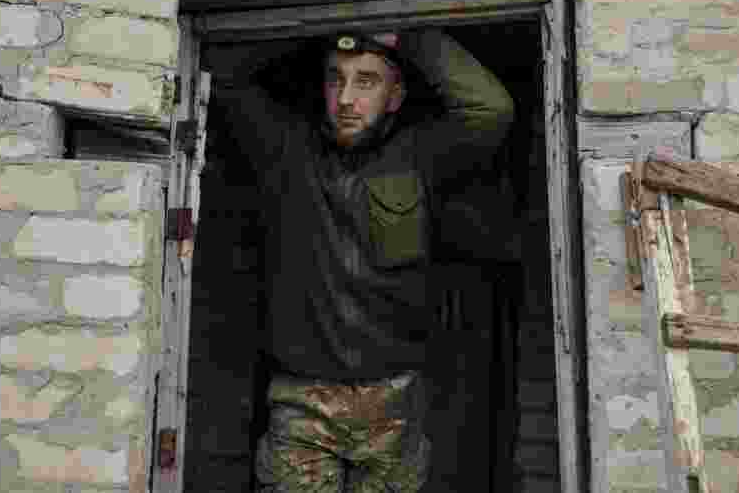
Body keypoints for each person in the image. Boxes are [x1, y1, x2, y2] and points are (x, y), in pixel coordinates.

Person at [210, 27, 515, 492]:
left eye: (366, 81)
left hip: (395, 403)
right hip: (303, 402)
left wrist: (404, 35)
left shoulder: (421, 156)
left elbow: (490, 109)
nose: (346, 98)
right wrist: (309, 19)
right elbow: (223, 74)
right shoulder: (284, 150)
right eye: (335, 80)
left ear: (394, 97)